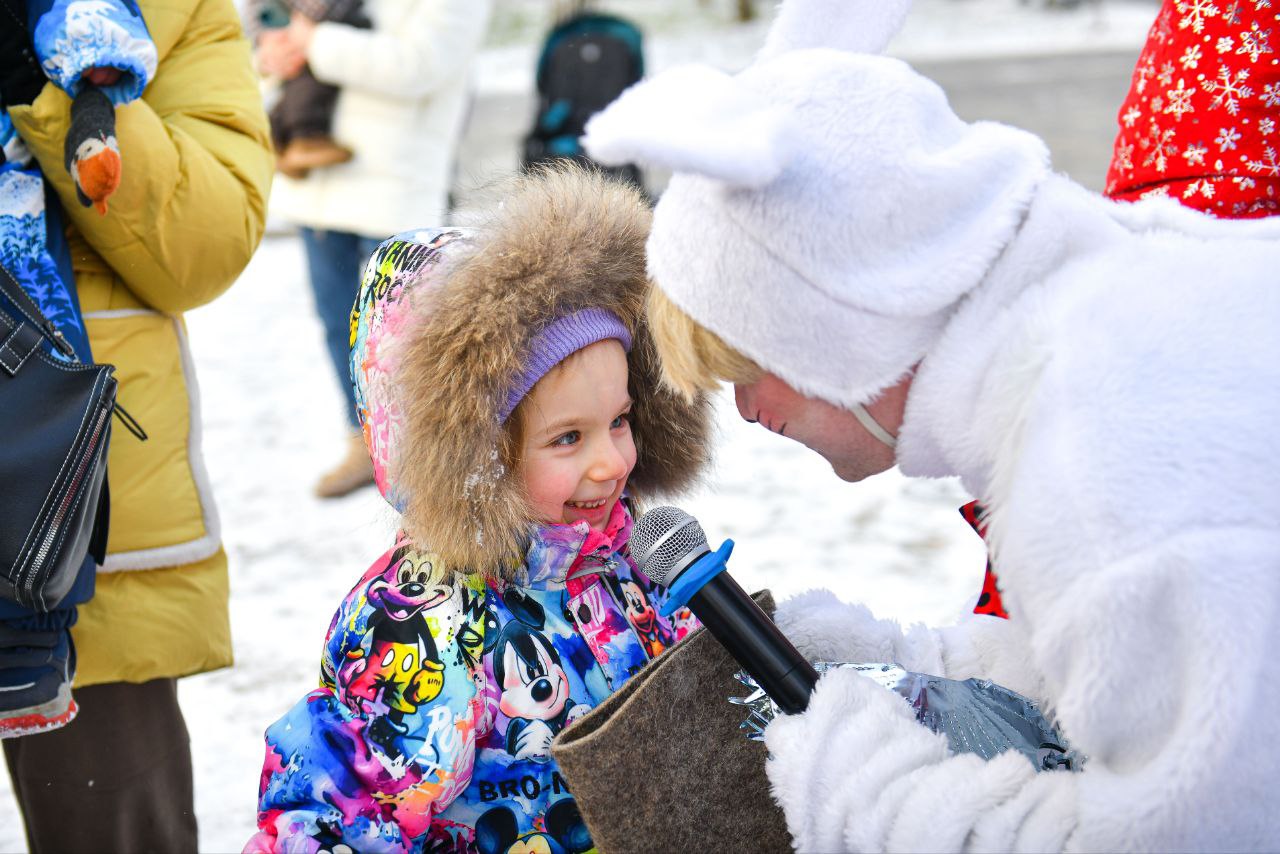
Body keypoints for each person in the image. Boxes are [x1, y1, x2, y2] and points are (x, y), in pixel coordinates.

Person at [581, 0, 1280, 849]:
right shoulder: (1090, 351)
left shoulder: (1096, 465)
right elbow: (1118, 683)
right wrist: (915, 662)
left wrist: (865, 792)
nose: (751, 413)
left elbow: (1194, 832)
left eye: (752, 366)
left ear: (843, 314)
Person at [246, 166, 711, 851]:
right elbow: (331, 818)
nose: (612, 460)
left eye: (620, 420)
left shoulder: (634, 560)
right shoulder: (427, 625)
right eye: (568, 438)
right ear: (475, 457)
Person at [0, 0, 272, 848]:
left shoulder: (174, 10)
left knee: (109, 825)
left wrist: (34, 77)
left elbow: (207, 243)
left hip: (74, 518)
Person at [251, 0, 492, 499]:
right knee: (338, 323)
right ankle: (364, 442)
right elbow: (273, 50)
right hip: (318, 181)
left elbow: (418, 66)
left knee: (411, 333)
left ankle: (431, 455)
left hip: (394, 189)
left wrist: (312, 43)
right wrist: (275, 54)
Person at [241, 0, 371, 179]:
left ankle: (277, 139)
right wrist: (271, 41)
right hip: (300, 27)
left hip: (295, 29)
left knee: (300, 78)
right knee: (307, 78)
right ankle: (304, 138)